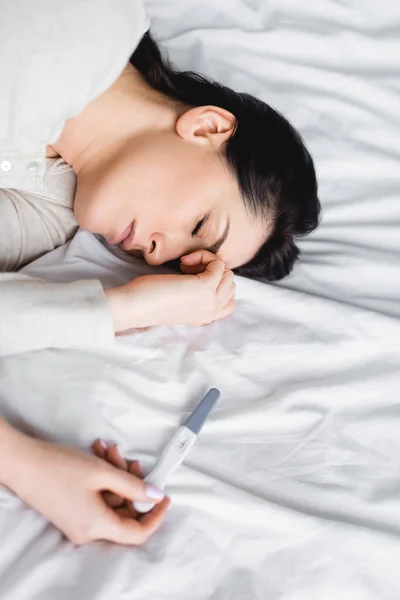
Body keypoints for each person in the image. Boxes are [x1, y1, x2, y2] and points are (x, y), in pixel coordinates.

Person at [0, 0, 320, 544]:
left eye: (175, 259)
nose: (155, 253)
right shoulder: (83, 20)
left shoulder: (48, 219)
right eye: (199, 223)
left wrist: (131, 308)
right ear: (207, 127)